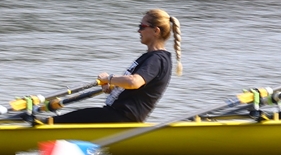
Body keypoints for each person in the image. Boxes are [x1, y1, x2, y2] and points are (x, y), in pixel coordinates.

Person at [53, 9, 183, 124]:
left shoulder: (157, 59)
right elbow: (133, 88)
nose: (138, 30)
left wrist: (109, 78)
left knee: (56, 122)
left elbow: (134, 82)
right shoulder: (151, 57)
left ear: (156, 30)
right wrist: (112, 88)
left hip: (122, 117)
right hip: (117, 115)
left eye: (142, 26)